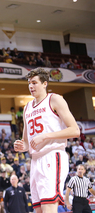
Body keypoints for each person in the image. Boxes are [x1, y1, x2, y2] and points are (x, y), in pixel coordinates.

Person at [14, 67, 80, 213]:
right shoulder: (27, 108)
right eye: (29, 83)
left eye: (34, 83)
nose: (31, 86)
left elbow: (75, 130)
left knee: (49, 208)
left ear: (45, 84)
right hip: (36, 160)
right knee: (39, 210)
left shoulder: (54, 99)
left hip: (52, 155)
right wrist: (21, 145)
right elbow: (26, 142)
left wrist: (45, 136)